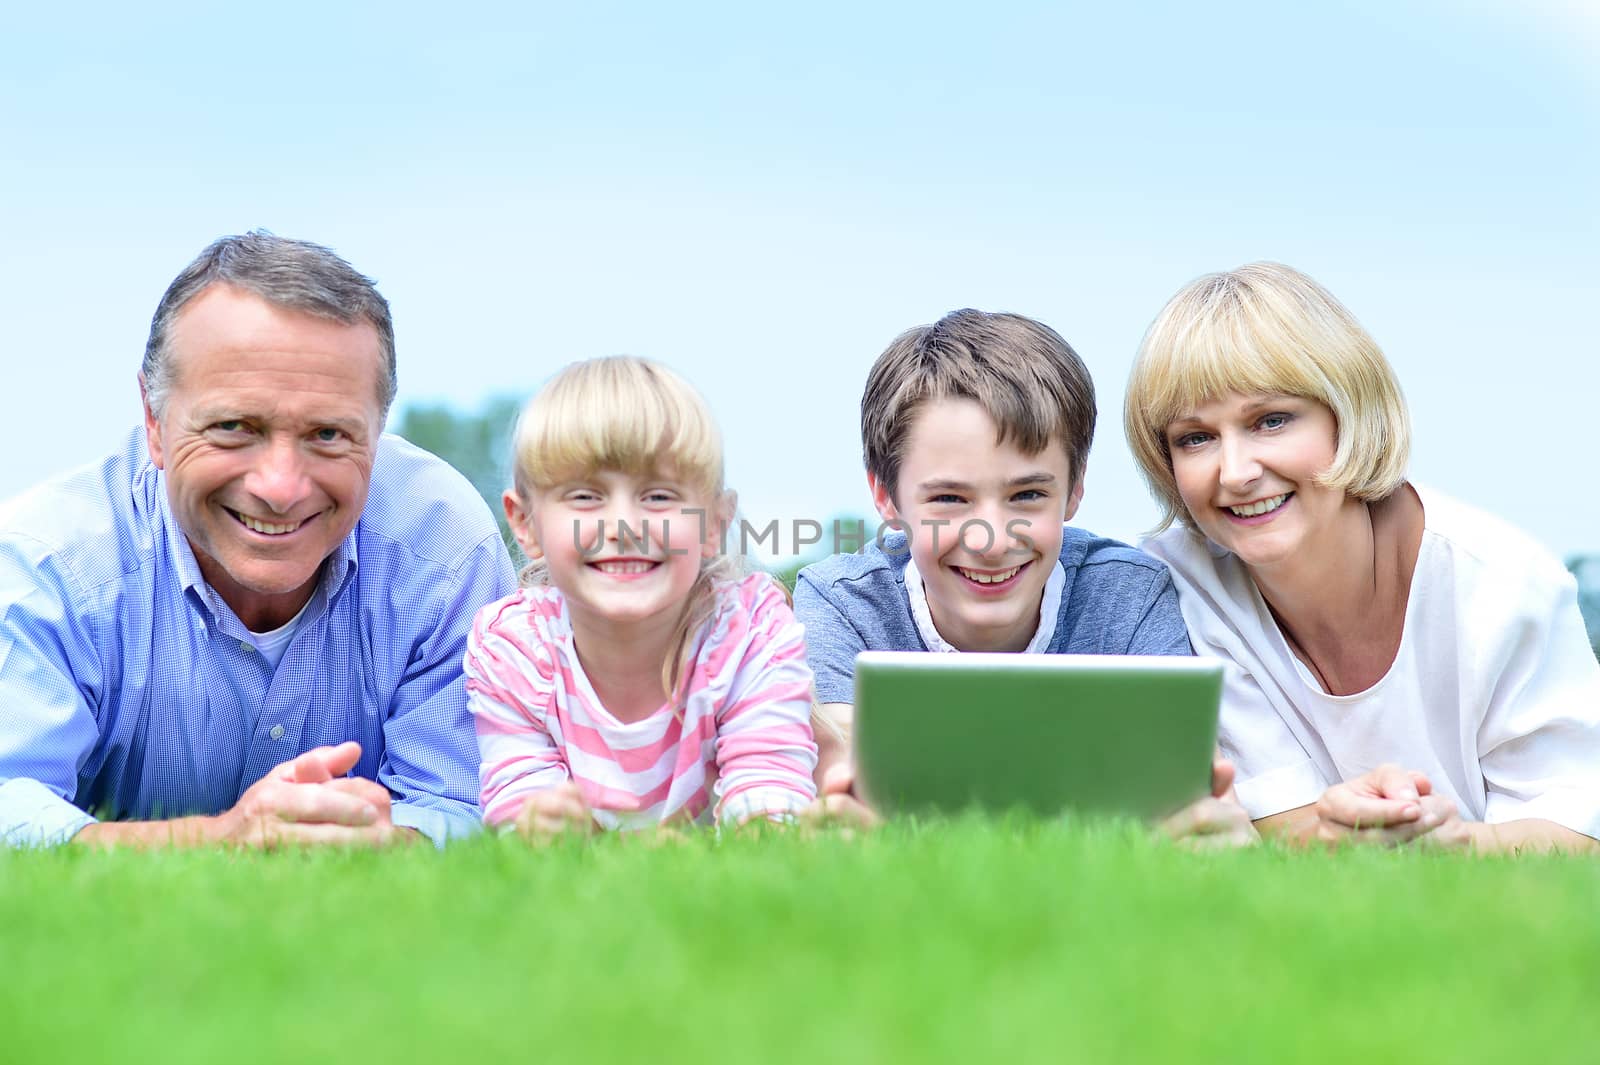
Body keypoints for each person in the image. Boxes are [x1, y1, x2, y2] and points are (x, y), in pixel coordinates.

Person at [0, 232, 515, 848]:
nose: (280, 487)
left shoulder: (442, 545)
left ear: (379, 427)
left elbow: (470, 806)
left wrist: (386, 843)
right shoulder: (51, 561)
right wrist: (222, 840)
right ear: (155, 418)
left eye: (327, 434)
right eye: (234, 427)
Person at [1123, 262, 1600, 852]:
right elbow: (1280, 823)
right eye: (1195, 438)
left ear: (1348, 416)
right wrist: (1342, 832)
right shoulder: (1176, 587)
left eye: (1271, 421)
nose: (1237, 472)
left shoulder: (1502, 584)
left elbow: (1579, 831)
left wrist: (1453, 843)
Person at [793, 308, 1253, 844]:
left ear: (1075, 488)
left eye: (1028, 495)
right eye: (949, 499)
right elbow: (844, 774)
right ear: (886, 497)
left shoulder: (1126, 594)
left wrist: (1213, 828)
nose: (991, 538)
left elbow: (1190, 786)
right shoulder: (842, 601)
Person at [464, 356, 818, 837]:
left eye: (658, 496)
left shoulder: (749, 632)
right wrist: (543, 829)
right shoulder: (515, 650)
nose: (624, 527)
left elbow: (770, 804)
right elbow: (522, 819)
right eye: (585, 497)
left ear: (713, 524)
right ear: (525, 523)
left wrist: (763, 826)